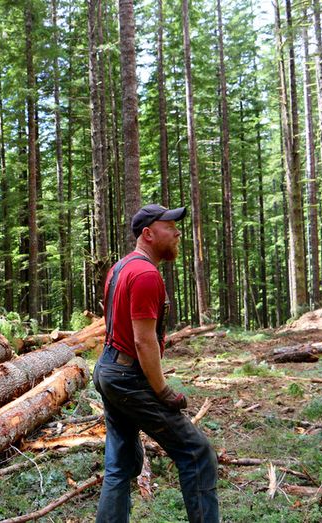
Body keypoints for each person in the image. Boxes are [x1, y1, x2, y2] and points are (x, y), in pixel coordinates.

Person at [93, 204, 220, 523]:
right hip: (127, 376)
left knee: (120, 464)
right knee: (197, 452)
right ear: (148, 234)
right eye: (170, 227)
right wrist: (162, 391)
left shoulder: (120, 268)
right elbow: (143, 340)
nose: (178, 232)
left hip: (108, 369)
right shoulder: (147, 274)